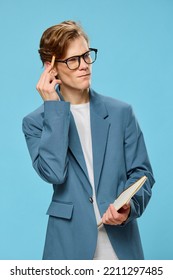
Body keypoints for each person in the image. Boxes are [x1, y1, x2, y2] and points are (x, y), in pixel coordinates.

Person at [22, 20, 155, 260]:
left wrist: (129, 207)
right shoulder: (35, 122)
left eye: (86, 56)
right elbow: (54, 173)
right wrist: (53, 108)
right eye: (73, 60)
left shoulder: (121, 113)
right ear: (50, 67)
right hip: (67, 245)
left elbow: (143, 173)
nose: (84, 66)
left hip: (121, 246)